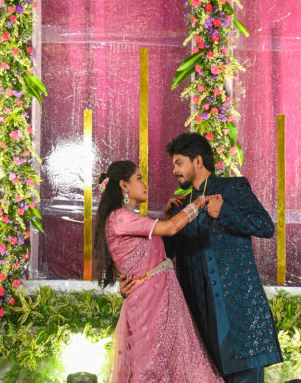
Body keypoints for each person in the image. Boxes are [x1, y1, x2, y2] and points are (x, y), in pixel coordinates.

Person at [121, 133, 283, 383]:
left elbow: (265, 227)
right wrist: (133, 280)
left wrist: (224, 212)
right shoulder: (179, 207)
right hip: (197, 320)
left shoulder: (233, 188)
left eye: (178, 163)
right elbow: (162, 257)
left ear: (197, 161)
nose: (174, 170)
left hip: (238, 314)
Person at [94, 159, 225, 383]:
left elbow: (150, 254)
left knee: (175, 366)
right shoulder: (120, 217)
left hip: (161, 296)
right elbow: (171, 229)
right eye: (139, 179)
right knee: (152, 368)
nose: (145, 184)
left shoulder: (129, 218)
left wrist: (168, 216)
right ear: (124, 185)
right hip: (151, 302)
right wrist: (199, 203)